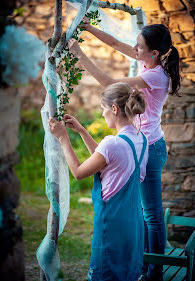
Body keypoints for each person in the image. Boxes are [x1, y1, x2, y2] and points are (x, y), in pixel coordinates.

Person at [67, 23, 181, 281]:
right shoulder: (148, 61)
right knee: (141, 211)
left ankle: (154, 273)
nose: (134, 49)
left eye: (139, 46)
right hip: (140, 143)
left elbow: (109, 83)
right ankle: (140, 265)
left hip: (149, 148)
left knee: (151, 215)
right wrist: (88, 27)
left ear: (153, 53)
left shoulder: (155, 76)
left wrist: (80, 55)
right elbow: (117, 44)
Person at [49, 82, 148, 281]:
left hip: (112, 225)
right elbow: (107, 160)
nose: (102, 114)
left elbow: (78, 172)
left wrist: (63, 138)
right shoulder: (142, 139)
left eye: (103, 109)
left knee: (105, 275)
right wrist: (83, 131)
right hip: (134, 224)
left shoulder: (112, 143)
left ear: (114, 109)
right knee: (128, 275)